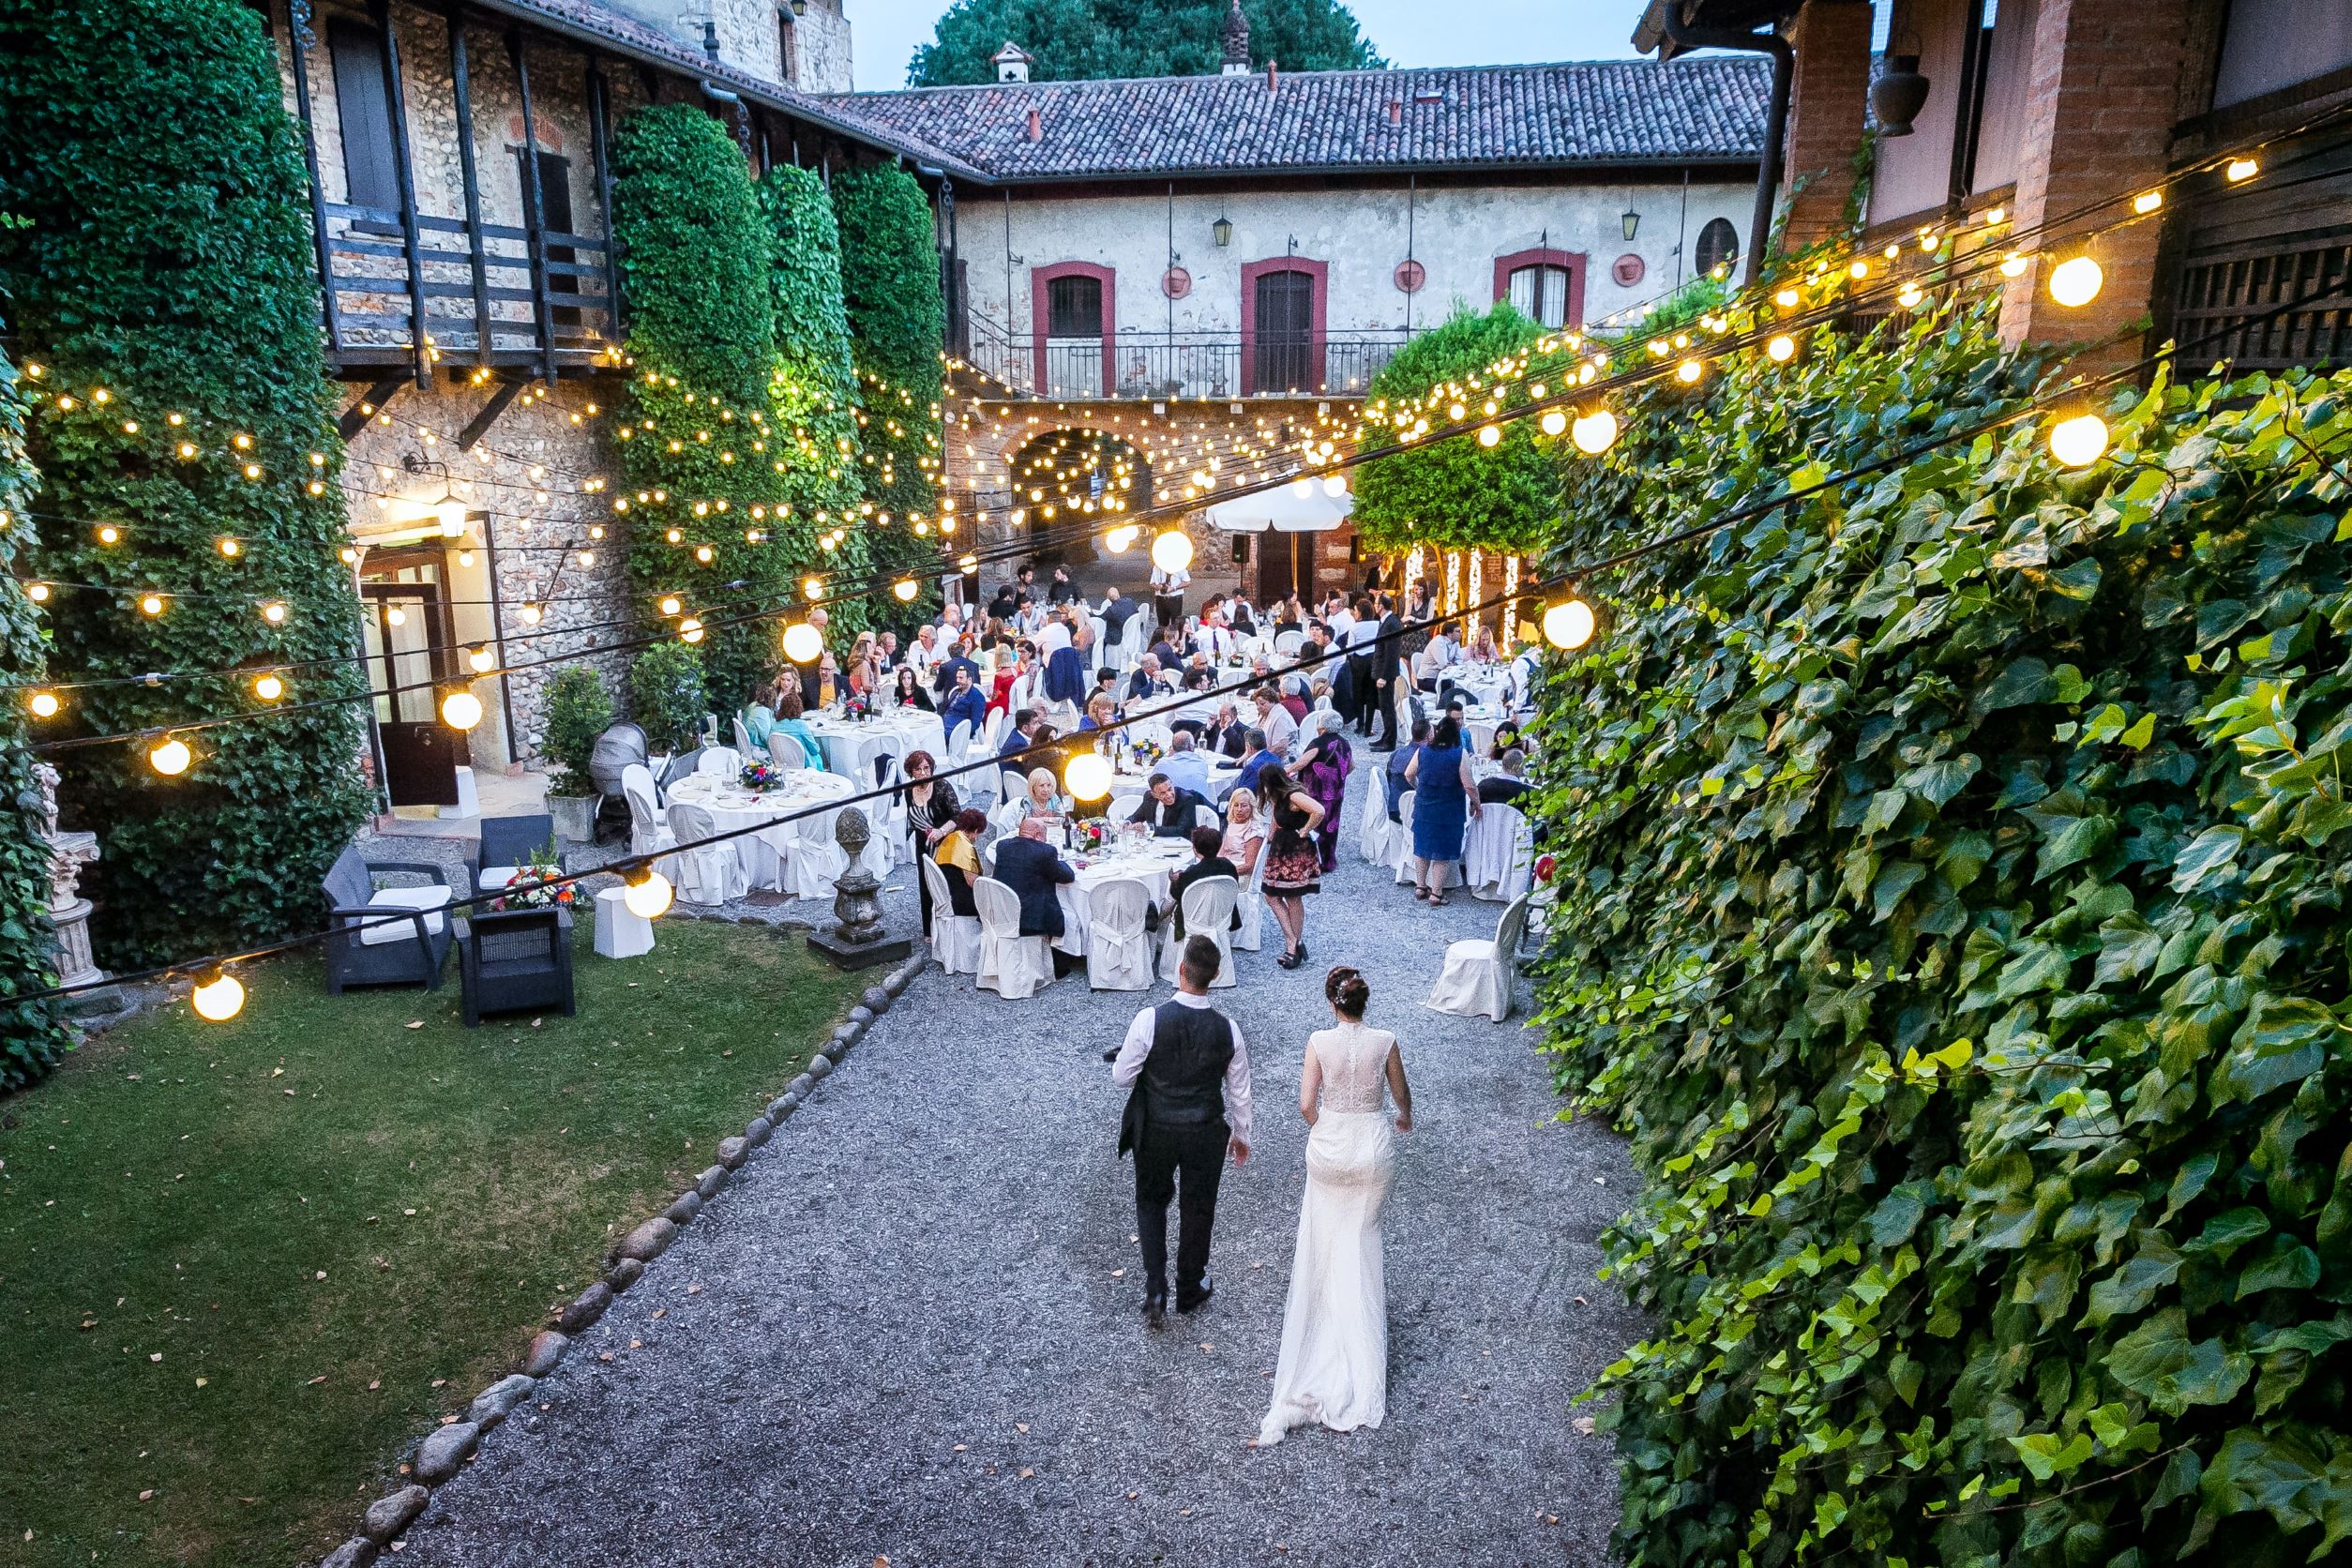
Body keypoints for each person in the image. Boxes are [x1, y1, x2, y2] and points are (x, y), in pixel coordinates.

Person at [1253, 966, 1412, 1447]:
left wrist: (1326, 1127)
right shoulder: (1384, 1041)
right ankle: (1362, 1363)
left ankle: (1320, 1333)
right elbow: (1402, 1097)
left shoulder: (1319, 1041)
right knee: (1361, 1245)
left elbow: (1306, 1105)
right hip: (1370, 1149)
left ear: (1332, 1004)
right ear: (1365, 1003)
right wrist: (1401, 1118)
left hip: (1330, 1149)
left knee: (1323, 1245)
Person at [1112, 934, 1253, 1329]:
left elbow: (1122, 1077)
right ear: (1216, 975)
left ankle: (1155, 1290)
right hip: (1205, 1132)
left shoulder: (1149, 1020)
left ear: (1180, 968)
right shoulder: (1229, 1030)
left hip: (1155, 1127)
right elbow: (1240, 1092)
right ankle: (1190, 1285)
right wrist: (1241, 1136)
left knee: (1151, 1202)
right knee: (1198, 1207)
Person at [1258, 763, 1327, 969]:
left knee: (1292, 896)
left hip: (1295, 849)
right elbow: (1275, 821)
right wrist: (1268, 838)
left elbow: (1319, 810)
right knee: (1272, 894)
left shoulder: (1293, 795)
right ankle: (1293, 939)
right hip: (1281, 848)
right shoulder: (1278, 795)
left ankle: (1292, 944)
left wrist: (1305, 830)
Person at [1406, 715, 1479, 904]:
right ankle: (1436, 893)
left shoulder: (1423, 751)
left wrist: (1418, 787)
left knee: (1422, 847)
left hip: (1424, 806)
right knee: (1442, 851)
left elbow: (1408, 773)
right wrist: (1476, 803)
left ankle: (1420, 886)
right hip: (1449, 809)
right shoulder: (1459, 753)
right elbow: (1469, 785)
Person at [991, 814, 1076, 949]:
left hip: (1002, 910)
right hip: (1030, 918)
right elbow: (1067, 876)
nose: (1045, 841)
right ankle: (1061, 957)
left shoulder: (1002, 846)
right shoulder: (1045, 852)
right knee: (1068, 911)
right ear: (1037, 835)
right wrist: (1061, 861)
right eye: (1044, 837)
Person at [900, 750, 960, 927]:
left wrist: (941, 831)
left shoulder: (942, 787)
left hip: (945, 843)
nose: (923, 772)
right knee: (925, 885)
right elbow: (911, 817)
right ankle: (929, 928)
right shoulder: (908, 792)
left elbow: (958, 816)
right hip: (923, 845)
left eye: (926, 768)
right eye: (918, 769)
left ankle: (949, 925)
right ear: (911, 772)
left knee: (945, 885)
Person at [1295, 712, 1354, 873]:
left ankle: (1312, 862)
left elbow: (1303, 762)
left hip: (1315, 792)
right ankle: (1328, 860)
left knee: (1313, 825)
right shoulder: (1345, 743)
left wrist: (1286, 771)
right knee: (1330, 827)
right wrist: (1337, 777)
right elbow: (1351, 766)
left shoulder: (1318, 743)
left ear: (1321, 727)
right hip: (1336, 793)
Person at [1165, 824, 1242, 939]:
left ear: (1195, 849)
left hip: (1193, 922)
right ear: (1219, 846)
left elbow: (1175, 897)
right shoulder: (1229, 866)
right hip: (1221, 919)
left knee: (1169, 904)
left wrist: (1175, 881)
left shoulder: (1190, 873)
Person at [748, 682, 823, 771]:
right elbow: (814, 749)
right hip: (803, 764)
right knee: (817, 756)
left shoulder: (775, 725)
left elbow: (771, 745)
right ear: (799, 708)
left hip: (781, 763)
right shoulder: (801, 725)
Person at [931, 807, 987, 919]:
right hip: (959, 902)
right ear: (975, 831)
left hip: (944, 895)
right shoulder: (966, 848)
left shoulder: (949, 838)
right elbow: (974, 883)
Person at [1131, 772, 1211, 838]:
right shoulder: (1149, 797)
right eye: (1162, 793)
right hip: (1155, 843)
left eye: (1170, 789)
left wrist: (1150, 829)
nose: (1169, 795)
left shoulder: (1186, 799)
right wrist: (1128, 823)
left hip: (1181, 844)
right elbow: (1137, 816)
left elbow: (1182, 830)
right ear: (1154, 794)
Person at [1385, 718, 1430, 824]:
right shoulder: (1425, 757)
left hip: (1393, 807)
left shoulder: (1396, 753)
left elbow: (1388, 779)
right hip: (1411, 812)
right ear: (1429, 736)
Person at [939, 662, 988, 748]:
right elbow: (945, 709)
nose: (957, 680)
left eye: (961, 678)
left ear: (969, 680)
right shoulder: (956, 691)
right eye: (957, 677)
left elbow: (975, 723)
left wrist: (962, 734)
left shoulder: (977, 697)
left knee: (937, 737)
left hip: (957, 730)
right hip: (944, 724)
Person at [1222, 729, 1276, 804]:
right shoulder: (1276, 758)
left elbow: (1243, 793)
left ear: (1249, 747)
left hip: (1253, 805)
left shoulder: (1251, 767)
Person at [1159, 731, 1213, 800]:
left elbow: (1151, 784)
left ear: (1173, 747)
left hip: (1169, 806)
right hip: (1199, 807)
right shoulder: (1201, 762)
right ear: (1190, 747)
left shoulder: (1161, 764)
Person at [1252, 686, 1298, 760]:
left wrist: (1259, 758)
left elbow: (1281, 747)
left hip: (1283, 760)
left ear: (1272, 701)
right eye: (1257, 704)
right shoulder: (1264, 714)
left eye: (1262, 704)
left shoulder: (1281, 717)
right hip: (1267, 755)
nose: (1258, 707)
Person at [1150, 552, 1191, 631]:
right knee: (1162, 624)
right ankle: (1163, 640)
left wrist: (1174, 588)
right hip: (1161, 598)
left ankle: (1175, 640)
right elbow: (1152, 583)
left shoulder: (1179, 566)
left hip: (1175, 598)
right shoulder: (1156, 567)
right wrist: (1158, 587)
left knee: (1176, 623)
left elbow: (1187, 582)